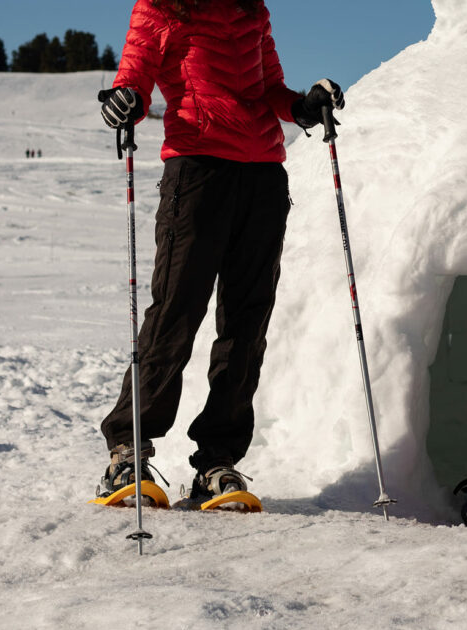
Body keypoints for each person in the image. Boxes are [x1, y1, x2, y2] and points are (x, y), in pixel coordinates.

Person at [95, 0, 345, 503]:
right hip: (197, 170)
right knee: (176, 311)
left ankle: (217, 460)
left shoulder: (252, 10)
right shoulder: (159, 8)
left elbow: (269, 88)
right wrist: (123, 101)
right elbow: (135, 77)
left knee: (247, 322)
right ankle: (127, 451)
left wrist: (301, 106)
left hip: (263, 176)